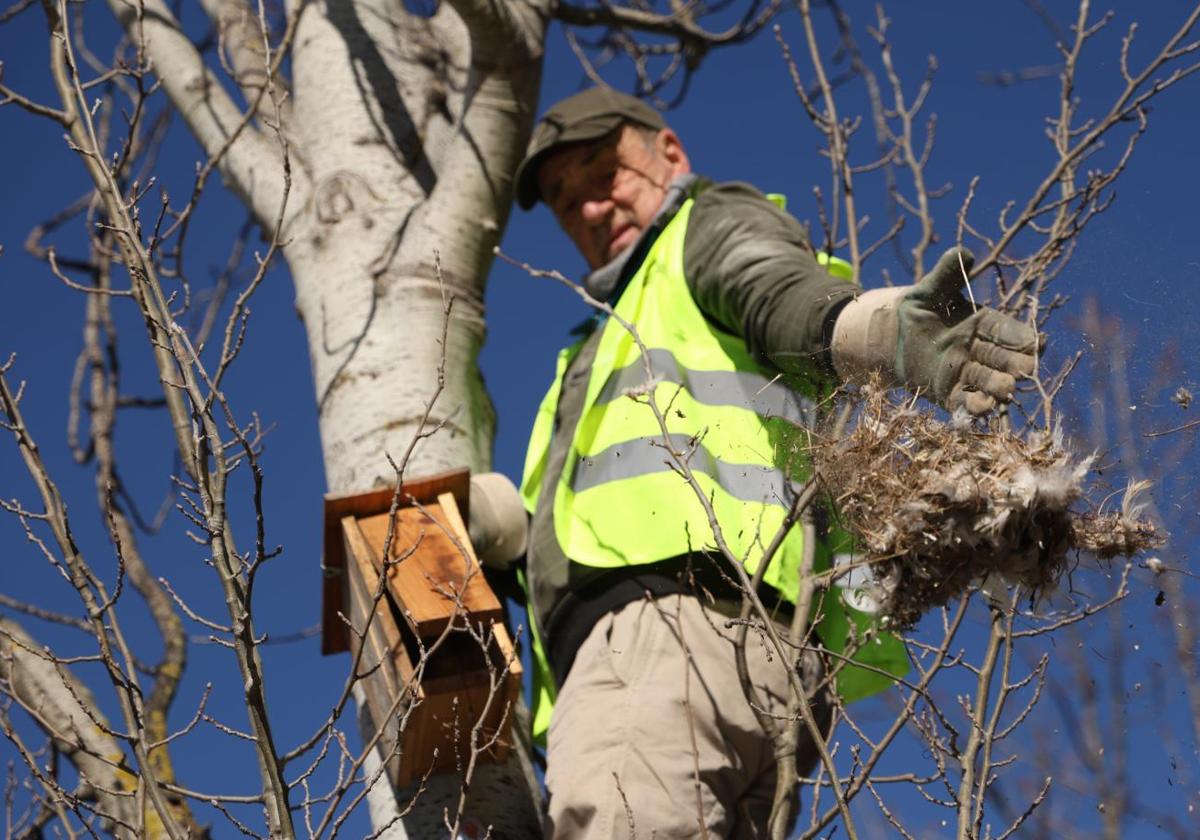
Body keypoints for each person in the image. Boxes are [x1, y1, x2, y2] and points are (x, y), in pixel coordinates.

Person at [471, 86, 1037, 838]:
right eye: (564, 199)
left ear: (669, 153)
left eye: (602, 175)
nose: (589, 209)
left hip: (665, 643)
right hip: (749, 663)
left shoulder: (699, 228)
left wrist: (879, 332)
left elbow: (773, 289)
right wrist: (515, 540)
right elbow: (606, 513)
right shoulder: (601, 341)